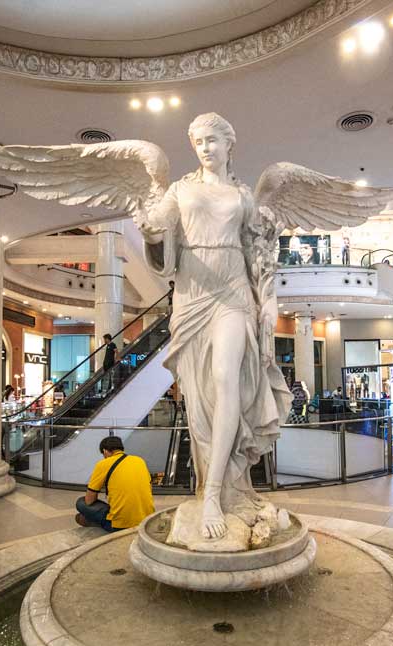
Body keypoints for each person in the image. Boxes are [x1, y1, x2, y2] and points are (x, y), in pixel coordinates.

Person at [141, 112, 291, 539]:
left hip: (232, 294)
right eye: (198, 142)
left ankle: (214, 494)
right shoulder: (180, 190)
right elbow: (160, 257)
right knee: (199, 396)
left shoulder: (244, 197)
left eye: (212, 140)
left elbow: (259, 256)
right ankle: (209, 482)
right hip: (191, 295)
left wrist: (269, 302)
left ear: (230, 144)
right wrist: (151, 236)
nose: (205, 148)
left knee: (227, 379)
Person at [75, 436, 154, 532]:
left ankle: (95, 522)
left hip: (120, 526)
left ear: (105, 451)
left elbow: (89, 500)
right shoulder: (139, 460)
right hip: (147, 521)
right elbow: (149, 489)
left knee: (81, 502)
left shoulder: (103, 464)